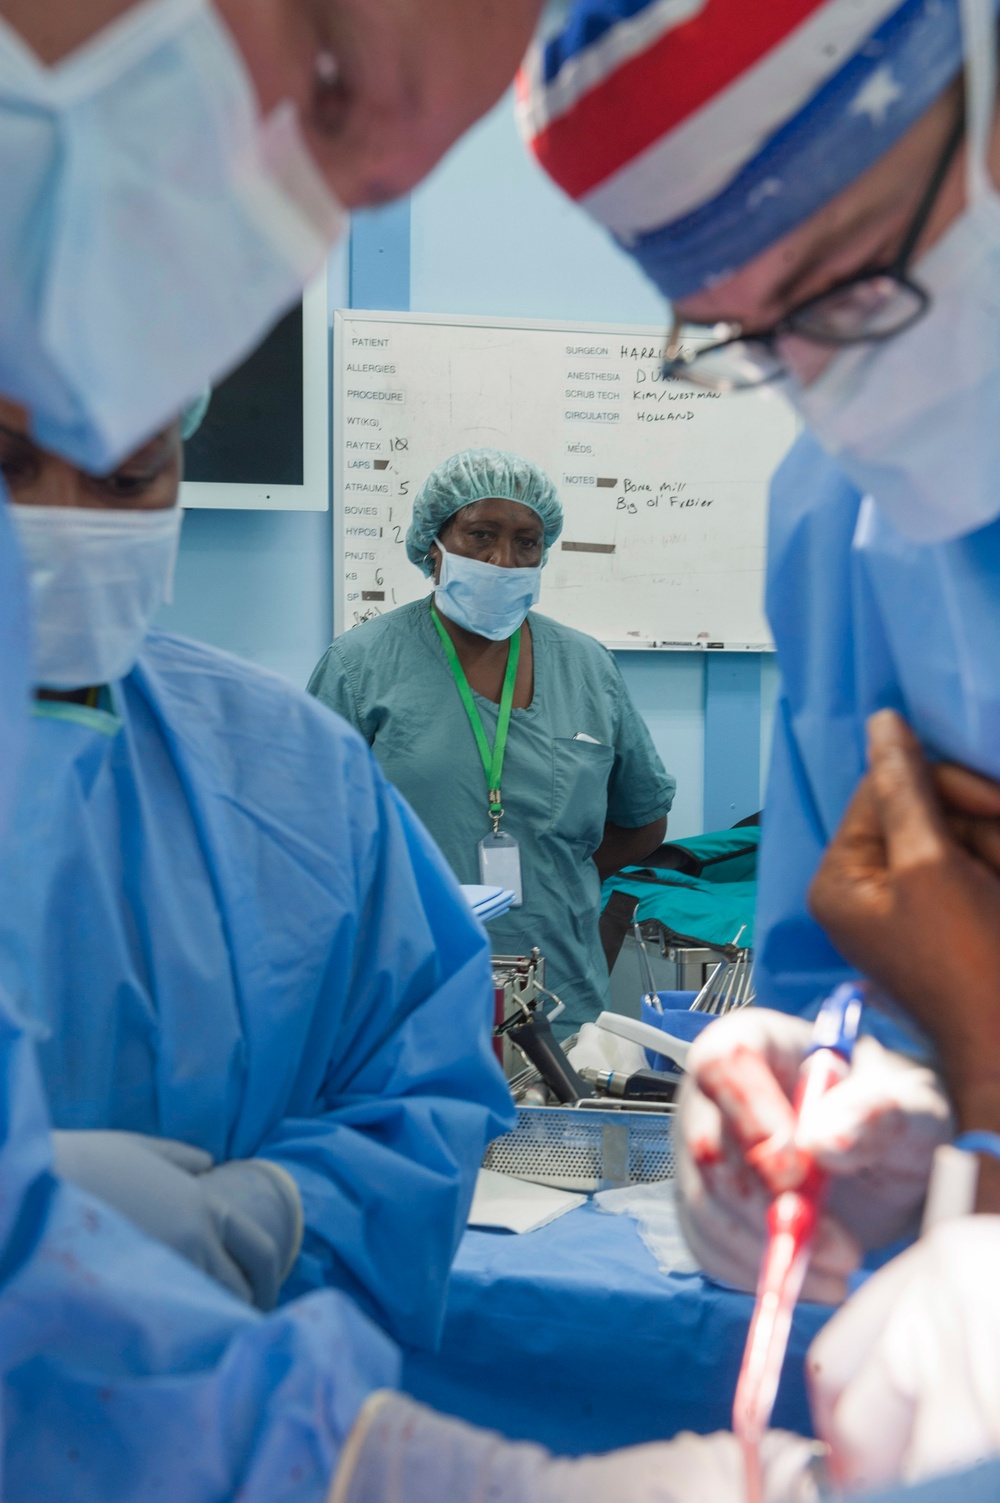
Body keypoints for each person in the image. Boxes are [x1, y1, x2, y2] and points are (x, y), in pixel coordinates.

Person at [523, 0, 1000, 1494]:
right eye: (757, 334)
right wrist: (873, 1093)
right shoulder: (840, 524)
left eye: (850, 282)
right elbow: (861, 961)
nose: (836, 386)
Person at [0, 391, 515, 1343]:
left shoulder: (292, 771)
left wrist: (274, 1217)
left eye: (125, 476)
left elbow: (423, 1089)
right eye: (7, 467)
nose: (66, 528)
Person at [308, 448, 676, 1036]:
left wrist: (553, 878)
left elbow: (641, 820)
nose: (503, 560)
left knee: (557, 1126)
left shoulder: (585, 667)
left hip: (559, 997)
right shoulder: (360, 667)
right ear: (434, 543)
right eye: (480, 535)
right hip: (406, 991)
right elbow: (307, 833)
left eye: (526, 542)